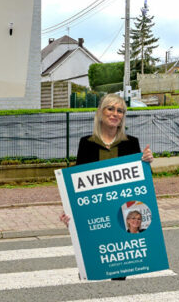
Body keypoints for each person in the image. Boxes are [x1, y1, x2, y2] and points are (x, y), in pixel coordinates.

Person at [59, 93, 153, 228]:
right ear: (100, 112)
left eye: (120, 111)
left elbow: (142, 184)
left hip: (124, 211)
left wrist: (146, 161)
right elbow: (78, 183)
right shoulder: (86, 143)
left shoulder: (131, 143)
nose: (115, 114)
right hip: (97, 212)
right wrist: (69, 210)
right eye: (110, 109)